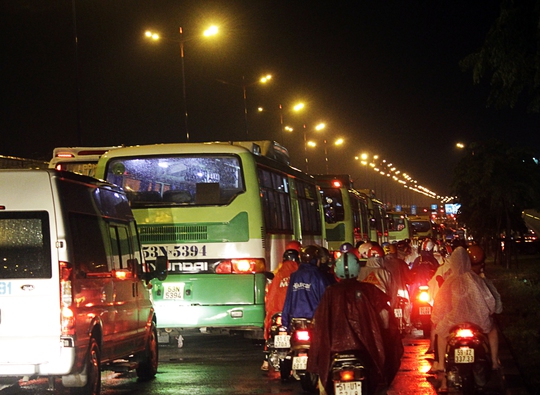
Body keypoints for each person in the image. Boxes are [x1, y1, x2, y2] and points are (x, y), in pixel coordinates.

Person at [307, 249, 403, 395]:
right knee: (380, 384)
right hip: (365, 350)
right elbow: (385, 317)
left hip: (334, 350)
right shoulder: (369, 290)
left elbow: (320, 322)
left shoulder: (330, 292)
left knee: (323, 386)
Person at [431, 246, 498, 391]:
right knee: (492, 329)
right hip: (477, 321)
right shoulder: (476, 279)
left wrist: (437, 319)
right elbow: (489, 300)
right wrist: (490, 311)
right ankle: (494, 362)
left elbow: (440, 304)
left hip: (453, 322)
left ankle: (441, 363)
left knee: (440, 334)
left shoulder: (449, 281)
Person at [261, 248, 300, 371]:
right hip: (293, 313)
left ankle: (265, 361)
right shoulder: (299, 273)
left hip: (276, 311)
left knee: (269, 330)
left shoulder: (279, 273)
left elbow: (271, 295)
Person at [281, 245, 331, 331]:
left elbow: (288, 301)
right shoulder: (319, 276)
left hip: (295, 322)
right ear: (316, 260)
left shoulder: (294, 276)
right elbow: (327, 301)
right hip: (314, 322)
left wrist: (285, 324)